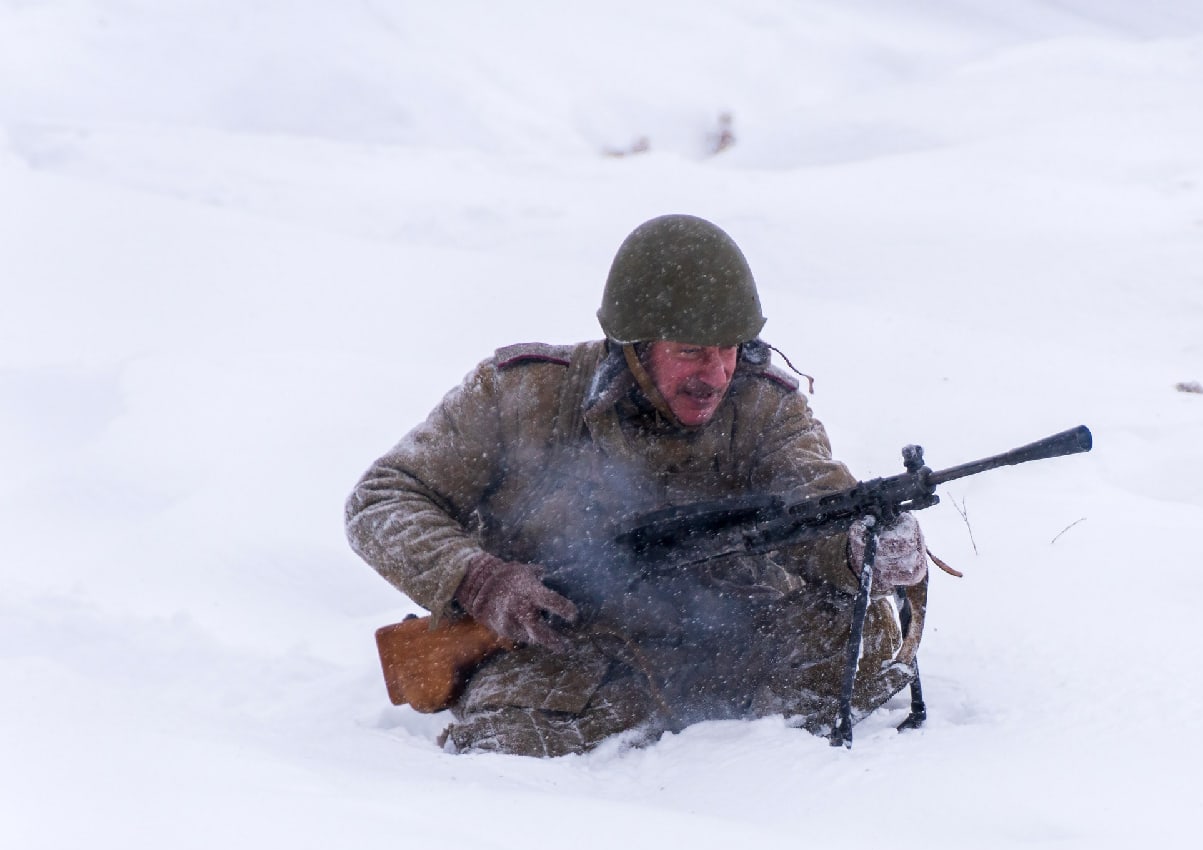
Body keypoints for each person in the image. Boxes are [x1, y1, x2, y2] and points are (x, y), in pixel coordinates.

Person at [345, 214, 928, 756]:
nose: (717, 374)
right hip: (564, 653)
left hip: (726, 638)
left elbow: (815, 504)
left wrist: (860, 546)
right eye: (691, 352)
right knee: (515, 752)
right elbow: (382, 499)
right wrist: (481, 582)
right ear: (634, 349)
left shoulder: (764, 408)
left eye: (729, 350)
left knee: (869, 635)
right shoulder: (519, 397)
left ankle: (735, 754)